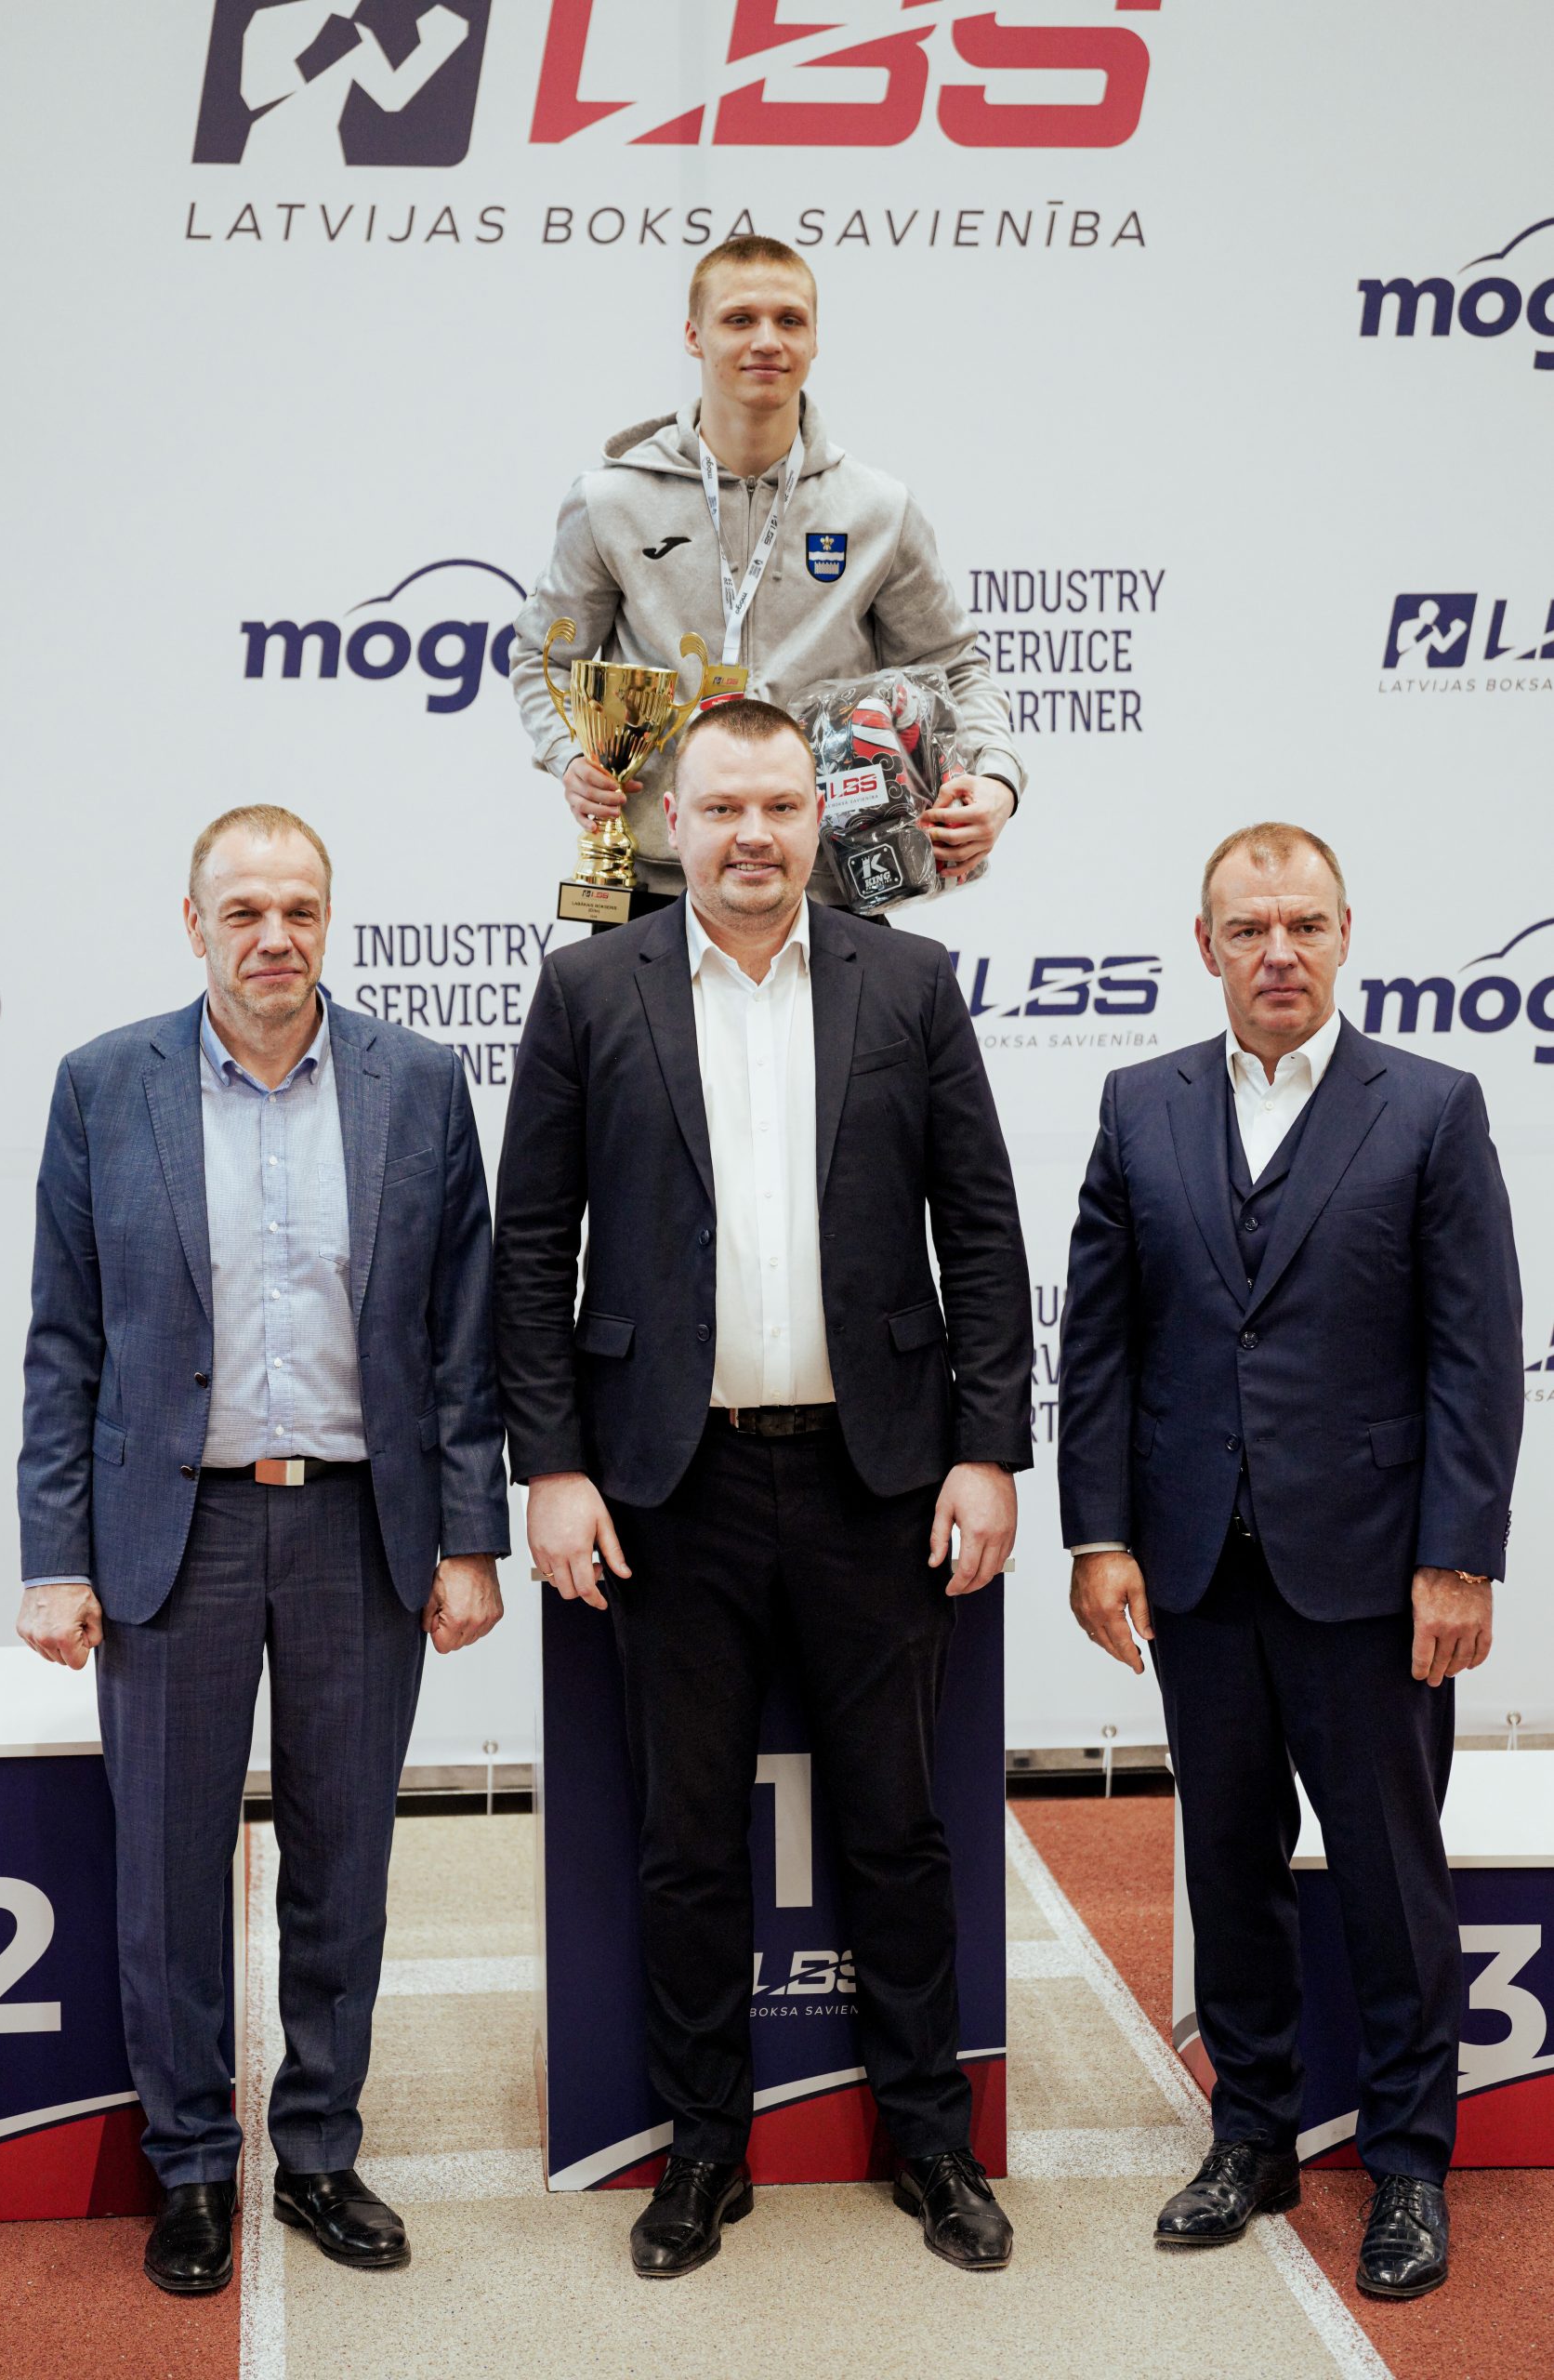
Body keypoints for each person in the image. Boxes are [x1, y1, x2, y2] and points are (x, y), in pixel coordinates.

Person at [493, 697, 1033, 2276]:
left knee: (896, 1829)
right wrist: (551, 1465)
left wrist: (987, 1447)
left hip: (879, 1481)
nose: (751, 836)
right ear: (668, 821)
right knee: (684, 1840)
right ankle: (700, 2151)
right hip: (669, 1488)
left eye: (780, 808)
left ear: (818, 819)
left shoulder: (908, 984)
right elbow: (530, 1251)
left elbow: (979, 1230)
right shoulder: (588, 989)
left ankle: (930, 2137)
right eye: (722, 807)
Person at [17, 805, 507, 2295]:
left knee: (342, 1860)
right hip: (177, 1531)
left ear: (328, 918)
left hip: (363, 1524)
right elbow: (64, 1341)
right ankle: (186, 2165)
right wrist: (53, 1555)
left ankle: (318, 2153)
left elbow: (462, 1338)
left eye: (298, 909)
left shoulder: (417, 1083)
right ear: (194, 925)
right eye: (243, 912)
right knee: (170, 1870)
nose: (273, 937)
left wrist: (469, 1537)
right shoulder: (105, 1084)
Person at [1057, 822, 1522, 2300]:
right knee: (1227, 1862)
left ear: (1341, 936)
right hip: (1195, 1573)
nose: (1278, 953)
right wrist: (1097, 1534)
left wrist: (1457, 1557)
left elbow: (1473, 1354)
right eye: (1248, 929)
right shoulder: (1138, 1106)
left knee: (1388, 1879)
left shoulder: (1429, 1108)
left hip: (1371, 1580)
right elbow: (1101, 1345)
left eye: (1304, 926)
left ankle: (1405, 2163)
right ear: (1203, 946)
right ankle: (1250, 2136)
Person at [507, 233, 1024, 918]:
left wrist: (996, 780)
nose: (767, 341)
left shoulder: (876, 508)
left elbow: (953, 666)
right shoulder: (612, 500)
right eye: (739, 319)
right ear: (694, 336)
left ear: (815, 340)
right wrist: (571, 756)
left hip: (831, 881)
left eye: (789, 320)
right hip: (658, 883)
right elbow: (542, 655)